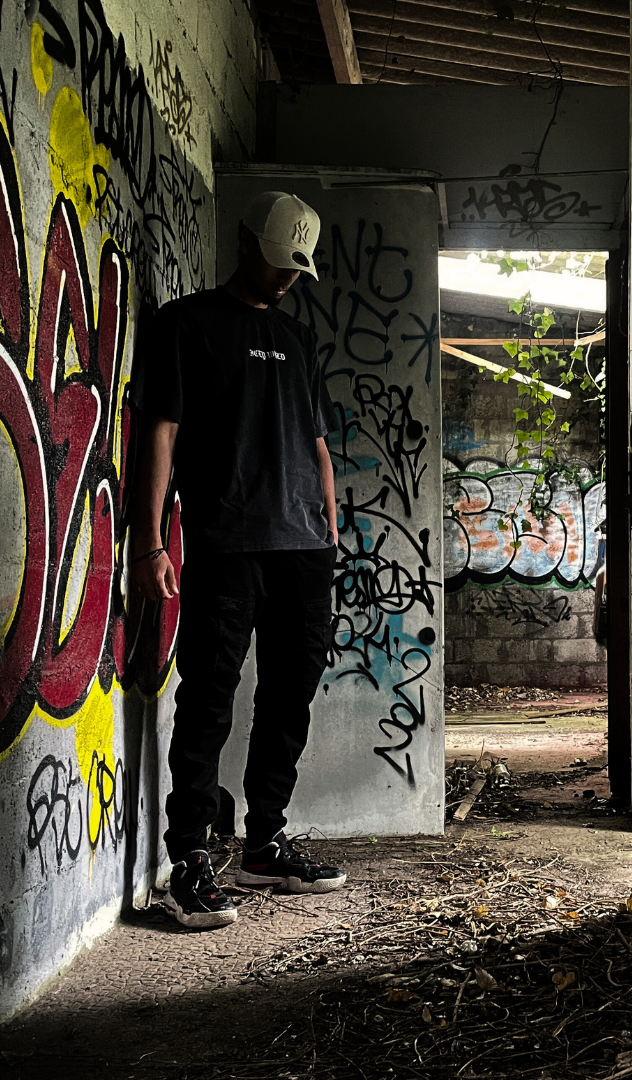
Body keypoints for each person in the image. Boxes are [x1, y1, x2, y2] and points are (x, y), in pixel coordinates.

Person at [133, 191, 346, 929]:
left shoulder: (297, 338)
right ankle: (189, 860)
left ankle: (264, 844)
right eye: (280, 262)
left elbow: (316, 441)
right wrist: (150, 540)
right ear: (246, 242)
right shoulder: (185, 324)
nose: (288, 278)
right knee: (208, 701)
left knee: (290, 697)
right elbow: (160, 433)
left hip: (303, 550)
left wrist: (328, 526)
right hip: (226, 545)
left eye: (298, 269)